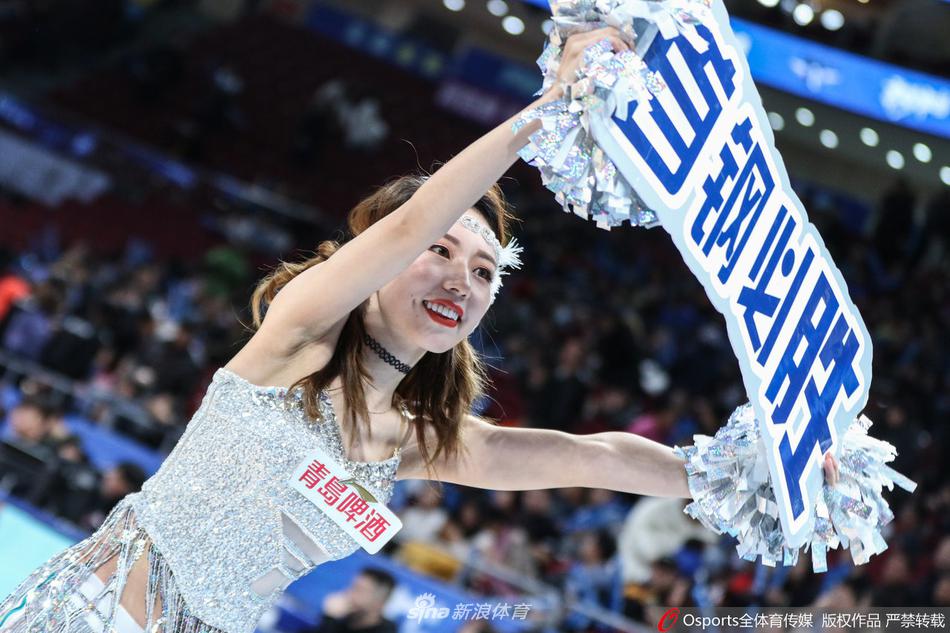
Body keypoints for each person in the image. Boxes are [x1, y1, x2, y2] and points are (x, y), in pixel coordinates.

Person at [0, 26, 841, 633]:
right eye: (442, 250)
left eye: (484, 272)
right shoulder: (295, 339)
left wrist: (763, 473)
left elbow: (593, 457)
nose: (461, 278)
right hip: (92, 613)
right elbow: (405, 228)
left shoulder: (417, 440)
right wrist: (553, 108)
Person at [309, 567, 397, 633]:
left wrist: (330, 618)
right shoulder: (347, 620)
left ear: (379, 602)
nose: (349, 593)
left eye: (359, 590)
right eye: (352, 587)